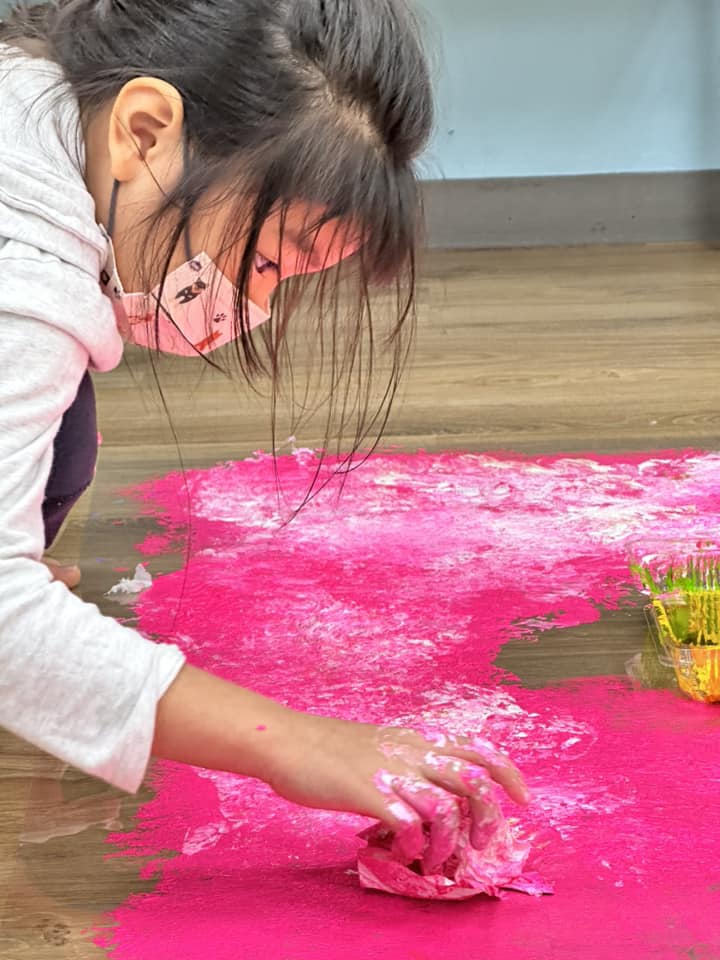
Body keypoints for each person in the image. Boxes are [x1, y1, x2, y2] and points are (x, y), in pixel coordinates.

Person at [0, 0, 529, 869]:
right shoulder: (22, 286)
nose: (258, 303)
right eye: (271, 260)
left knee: (64, 440)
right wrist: (292, 742)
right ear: (143, 132)